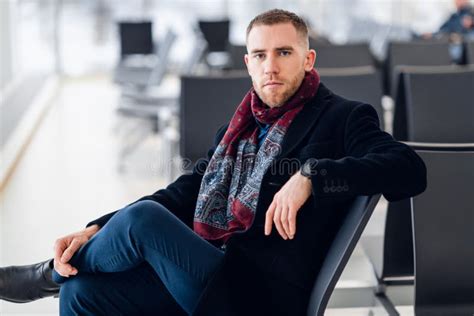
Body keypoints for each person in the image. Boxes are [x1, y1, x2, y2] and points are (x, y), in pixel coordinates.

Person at [0, 9, 427, 316]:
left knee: (144, 221)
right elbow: (181, 194)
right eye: (260, 55)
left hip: (258, 294)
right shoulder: (238, 128)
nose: (271, 66)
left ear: (308, 59)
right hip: (213, 272)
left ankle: (46, 277)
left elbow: (407, 167)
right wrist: (96, 226)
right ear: (248, 64)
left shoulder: (342, 116)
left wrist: (311, 175)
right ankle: (62, 277)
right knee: (82, 292)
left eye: (284, 53)